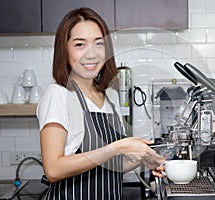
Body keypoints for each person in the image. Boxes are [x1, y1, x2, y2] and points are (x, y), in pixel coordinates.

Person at [36, 7, 165, 200]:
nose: (92, 54)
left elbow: (112, 166)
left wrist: (142, 158)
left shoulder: (110, 96)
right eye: (80, 45)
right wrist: (118, 147)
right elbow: (53, 169)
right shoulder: (58, 95)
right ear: (64, 49)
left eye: (99, 44)